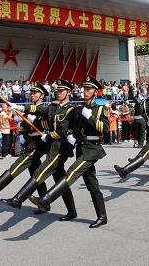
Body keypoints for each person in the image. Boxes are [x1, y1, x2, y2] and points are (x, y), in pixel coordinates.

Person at [30, 76, 110, 228]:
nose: (86, 91)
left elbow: (104, 129)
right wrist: (73, 136)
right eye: (85, 88)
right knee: (92, 184)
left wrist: (90, 116)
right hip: (81, 148)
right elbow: (74, 128)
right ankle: (101, 216)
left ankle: (46, 199)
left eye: (89, 89)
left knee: (71, 172)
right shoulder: (79, 108)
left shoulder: (100, 108)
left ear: (95, 92)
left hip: (92, 149)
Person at [0, 79, 78, 221]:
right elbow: (38, 109)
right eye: (58, 90)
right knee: (60, 181)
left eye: (61, 91)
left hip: (60, 147)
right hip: (52, 146)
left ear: (69, 93)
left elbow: (63, 131)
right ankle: (71, 211)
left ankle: (18, 199)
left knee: (41, 170)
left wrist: (48, 136)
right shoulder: (54, 107)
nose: (58, 93)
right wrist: (20, 107)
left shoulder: (71, 110)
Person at [0, 83, 51, 214]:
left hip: (37, 143)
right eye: (31, 93)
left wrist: (35, 120)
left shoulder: (45, 108)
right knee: (36, 174)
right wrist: (22, 135)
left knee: (17, 166)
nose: (32, 95)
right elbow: (22, 124)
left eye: (35, 93)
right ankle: (44, 203)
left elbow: (45, 124)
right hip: (28, 141)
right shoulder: (29, 108)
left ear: (42, 95)